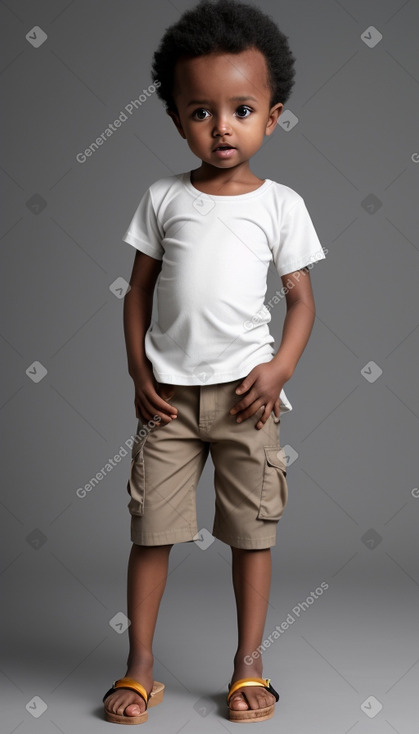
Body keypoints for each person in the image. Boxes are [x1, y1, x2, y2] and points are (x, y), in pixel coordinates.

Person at [103, 0, 326, 725]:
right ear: (175, 118)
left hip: (245, 401)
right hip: (167, 400)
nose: (220, 127)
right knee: (151, 532)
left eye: (240, 109)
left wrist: (280, 369)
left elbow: (301, 301)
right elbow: (135, 292)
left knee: (249, 534)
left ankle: (247, 667)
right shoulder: (162, 198)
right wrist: (139, 373)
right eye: (200, 111)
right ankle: (138, 668)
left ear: (273, 115)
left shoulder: (280, 205)